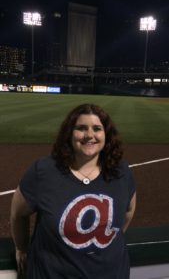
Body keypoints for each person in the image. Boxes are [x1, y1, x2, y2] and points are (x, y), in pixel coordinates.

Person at [10, 103, 136, 279]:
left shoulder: (122, 171)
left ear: (106, 134)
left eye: (97, 129)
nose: (89, 135)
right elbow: (18, 214)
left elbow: (128, 212)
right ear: (69, 133)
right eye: (81, 128)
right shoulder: (44, 171)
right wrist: (21, 248)